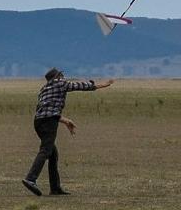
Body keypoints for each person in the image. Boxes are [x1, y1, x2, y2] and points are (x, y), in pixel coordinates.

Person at [22, 68, 114, 196]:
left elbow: (47, 111)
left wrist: (65, 121)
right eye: (61, 75)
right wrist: (102, 85)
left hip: (39, 122)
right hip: (49, 123)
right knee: (46, 150)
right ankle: (31, 179)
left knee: (52, 154)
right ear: (57, 77)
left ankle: (55, 188)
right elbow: (80, 86)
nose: (64, 77)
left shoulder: (44, 89)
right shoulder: (60, 83)